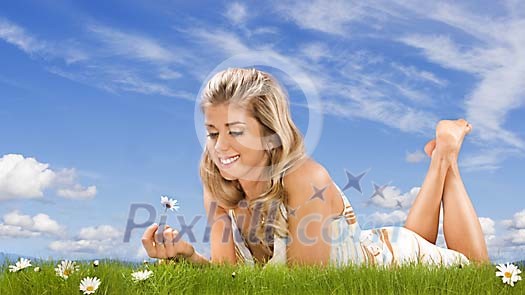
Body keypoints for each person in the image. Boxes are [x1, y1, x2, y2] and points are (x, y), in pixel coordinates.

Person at [141, 68, 490, 267]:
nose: (220, 147)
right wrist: (188, 258)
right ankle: (439, 158)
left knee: (476, 272)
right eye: (213, 133)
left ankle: (446, 155)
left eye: (235, 131)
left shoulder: (303, 178)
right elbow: (230, 276)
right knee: (416, 241)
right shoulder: (216, 178)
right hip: (376, 245)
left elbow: (305, 284)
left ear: (270, 135)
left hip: (388, 259)